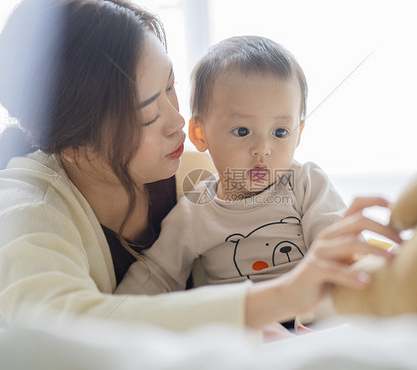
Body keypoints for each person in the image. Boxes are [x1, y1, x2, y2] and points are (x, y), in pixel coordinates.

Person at [0, 0, 401, 342]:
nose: (178, 123)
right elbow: (69, 331)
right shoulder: (21, 210)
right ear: (74, 144)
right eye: (149, 116)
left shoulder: (191, 174)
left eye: (171, 87)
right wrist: (280, 297)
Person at [115, 37, 351, 303]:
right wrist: (116, 314)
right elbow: (157, 275)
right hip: (240, 327)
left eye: (280, 132)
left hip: (310, 315)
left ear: (298, 135)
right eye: (242, 131)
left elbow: (337, 244)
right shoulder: (195, 211)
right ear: (200, 133)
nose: (263, 149)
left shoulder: (307, 183)